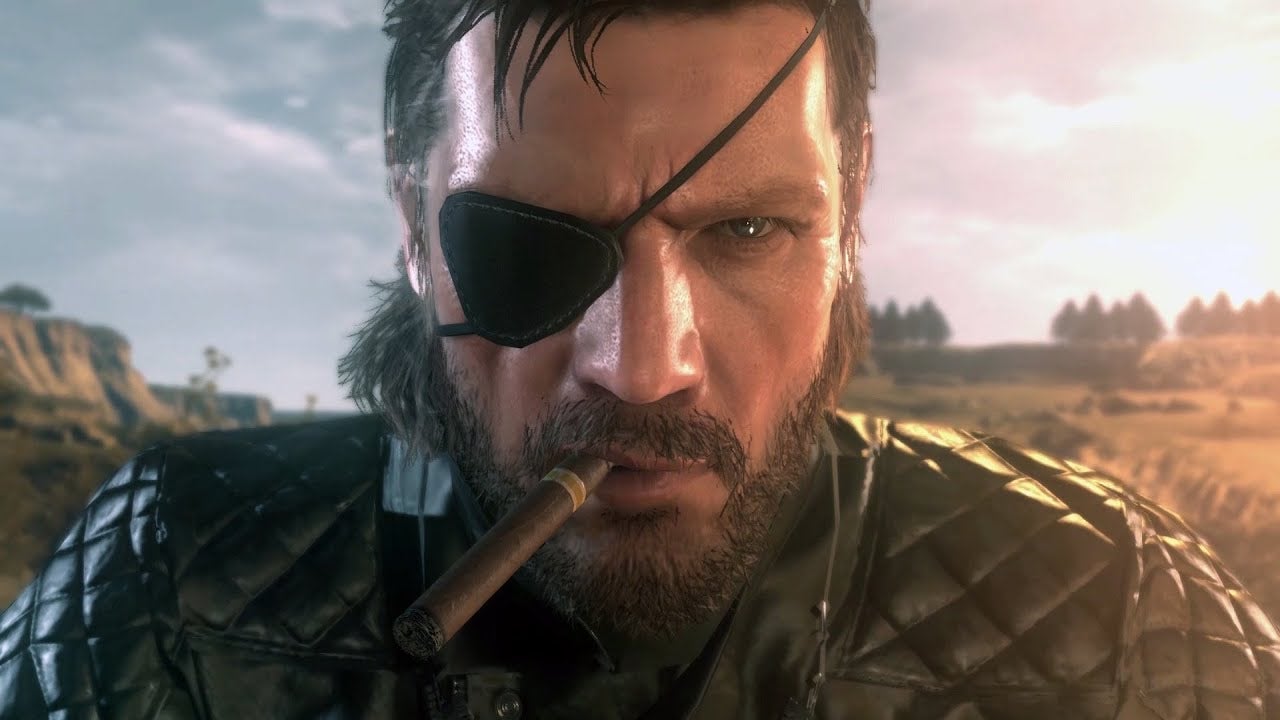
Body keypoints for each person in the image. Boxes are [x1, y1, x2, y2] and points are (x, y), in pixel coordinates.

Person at [2, 1, 1277, 718]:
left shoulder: (1112, 609)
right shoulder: (173, 579)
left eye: (749, 232)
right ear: (410, 224)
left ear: (851, 209)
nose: (642, 368)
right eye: (527, 240)